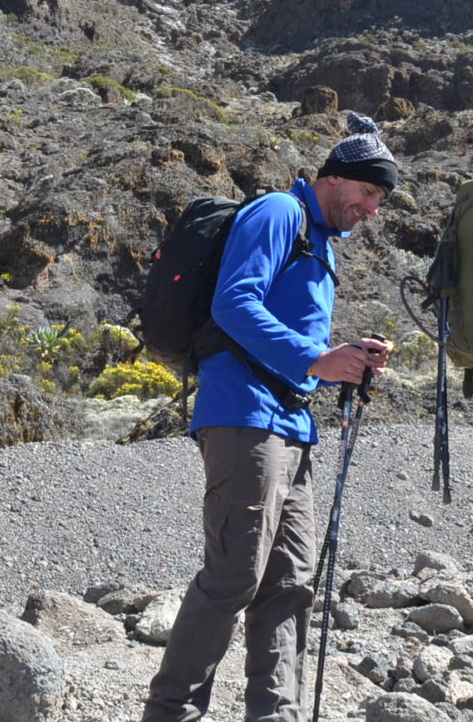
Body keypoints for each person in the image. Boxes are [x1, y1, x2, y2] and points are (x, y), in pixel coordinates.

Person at [142, 114, 399, 722]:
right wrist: (316, 358)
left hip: (291, 423)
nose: (372, 209)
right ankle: (170, 713)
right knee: (234, 575)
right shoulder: (280, 212)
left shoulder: (320, 241)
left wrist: (344, 360)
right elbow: (234, 302)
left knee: (289, 583)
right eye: (368, 192)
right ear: (334, 178)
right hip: (245, 417)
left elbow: (288, 337)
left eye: (380, 200)